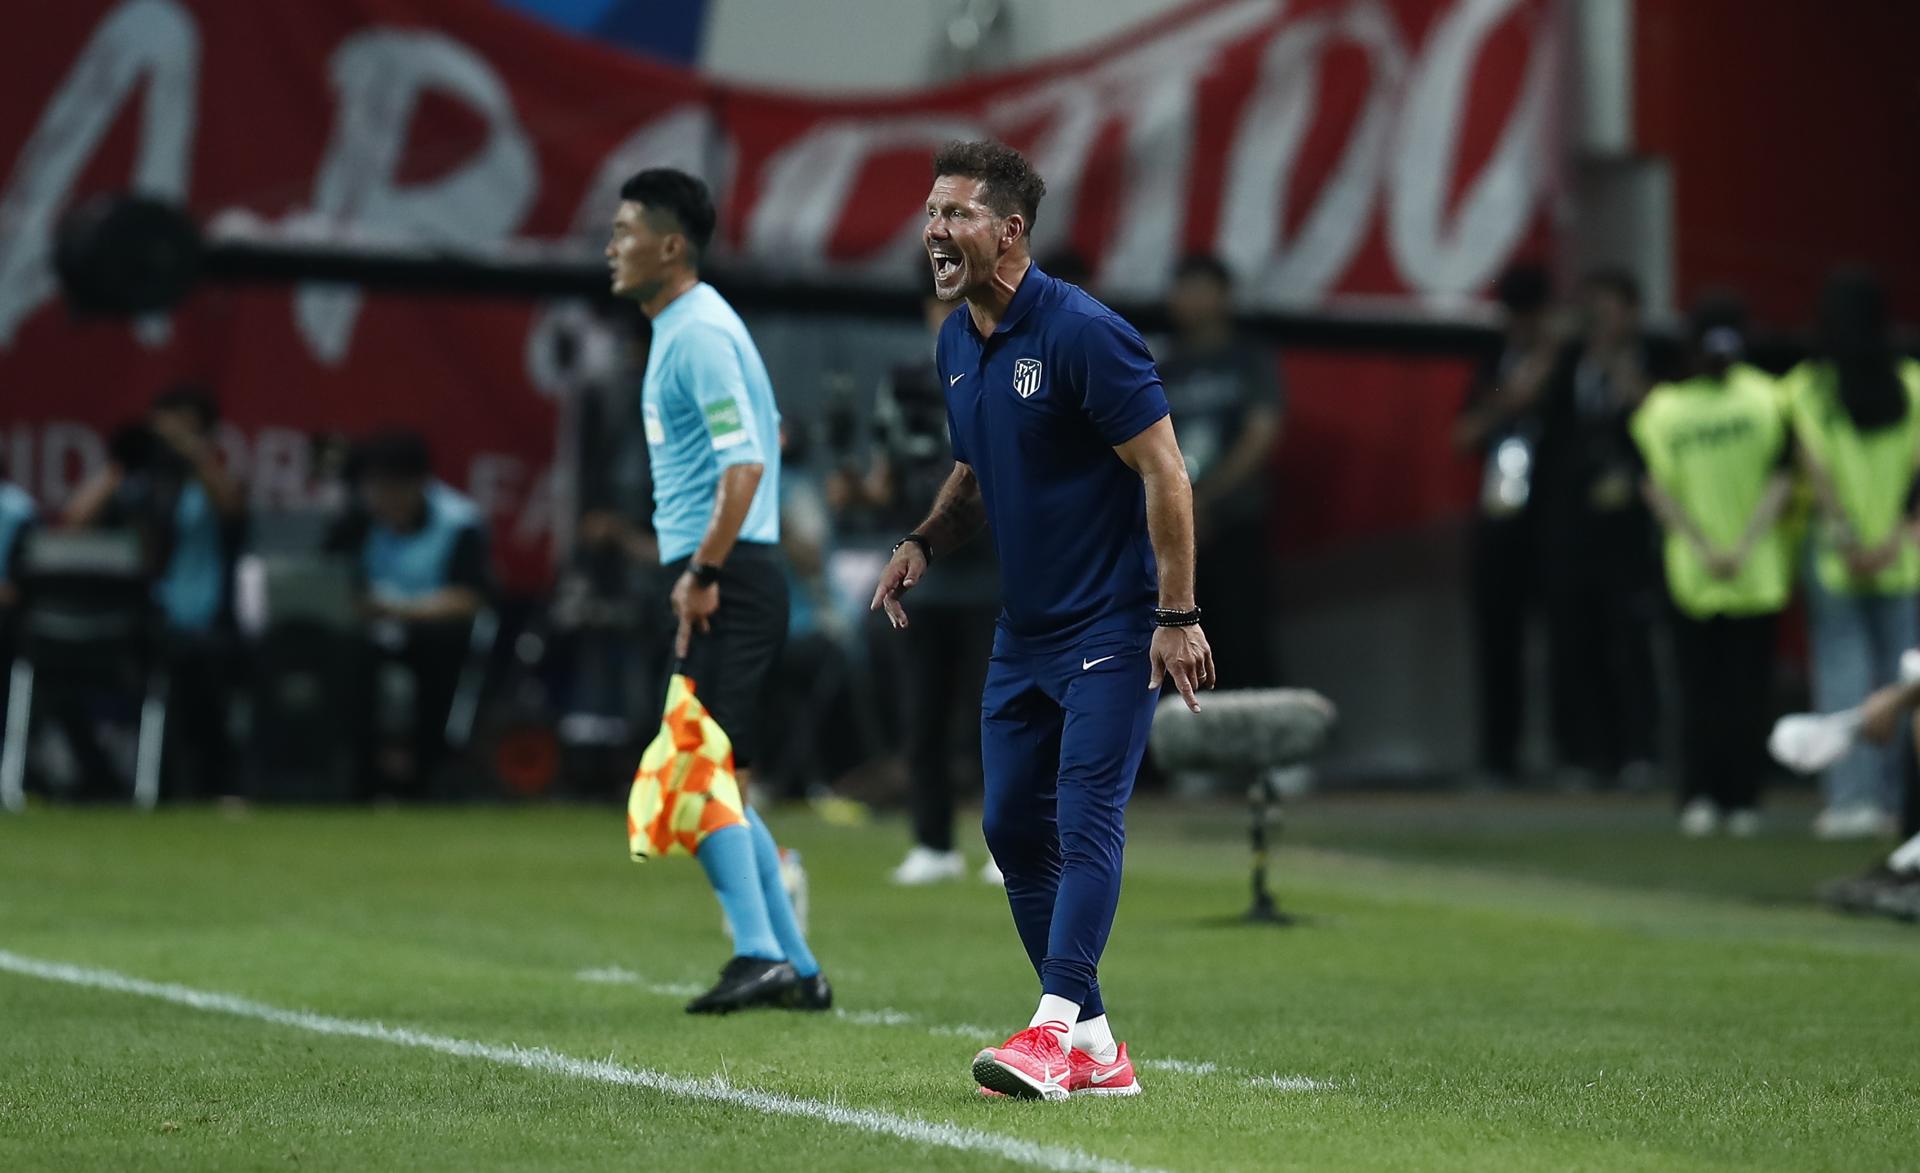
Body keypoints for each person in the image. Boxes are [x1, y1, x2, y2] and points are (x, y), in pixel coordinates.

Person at [870, 140, 1211, 1100]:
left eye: (957, 214)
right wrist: (927, 540)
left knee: (1083, 813)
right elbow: (979, 471)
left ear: (1011, 231)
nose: (935, 231)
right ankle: (1099, 1046)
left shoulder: (1085, 333)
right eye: (932, 212)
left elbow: (1166, 470)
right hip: (1026, 630)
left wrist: (1176, 614)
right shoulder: (954, 342)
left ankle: (1052, 1032)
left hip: (1114, 620)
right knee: (1013, 824)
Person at [606, 166, 830, 1014]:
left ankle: (762, 953)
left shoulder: (696, 332)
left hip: (728, 575)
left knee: (691, 775)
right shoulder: (686, 326)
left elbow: (746, 462)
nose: (610, 248)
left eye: (625, 232)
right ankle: (796, 968)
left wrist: (702, 571)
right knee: (706, 774)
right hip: (723, 571)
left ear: (670, 245)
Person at [1630, 297, 1793, 837]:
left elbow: (1782, 476)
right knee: (1704, 692)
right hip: (1710, 570)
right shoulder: (1667, 409)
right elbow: (1655, 485)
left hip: (1742, 569)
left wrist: (1729, 546)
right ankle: (1704, 795)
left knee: (1739, 694)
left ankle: (1737, 797)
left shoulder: (1769, 398)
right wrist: (1714, 546)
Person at [1785, 269, 1920, 839]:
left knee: (1845, 676)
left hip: (1837, 558)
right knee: (1907, 679)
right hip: (1906, 553)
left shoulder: (1807, 387)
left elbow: (1816, 472)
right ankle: (1901, 803)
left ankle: (1850, 800)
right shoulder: (1913, 382)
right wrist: (1894, 537)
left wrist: (1847, 538)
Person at [878, 280, 1003, 886]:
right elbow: (883, 475)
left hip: (998, 576)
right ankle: (932, 843)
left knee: (1000, 717)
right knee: (923, 716)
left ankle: (1007, 845)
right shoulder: (903, 383)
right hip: (926, 581)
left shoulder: (1011, 371)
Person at [65, 385, 247, 799]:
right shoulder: (137, 481)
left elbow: (233, 506)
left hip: (200, 624)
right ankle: (99, 778)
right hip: (136, 620)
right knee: (61, 664)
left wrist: (192, 450)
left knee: (195, 679)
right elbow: (75, 521)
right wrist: (123, 461)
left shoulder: (209, 484)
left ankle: (206, 785)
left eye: (184, 428)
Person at [1532, 270, 1664, 790]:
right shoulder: (1567, 363)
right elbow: (1521, 396)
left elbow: (1654, 409)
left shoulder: (1654, 357)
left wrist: (1616, 362)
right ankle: (1582, 754)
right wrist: (1553, 344)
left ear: (1631, 312)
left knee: (1630, 640)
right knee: (1574, 640)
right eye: (1593, 309)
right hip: (1571, 524)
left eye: (1609, 309)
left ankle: (1639, 750)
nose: (1600, 320)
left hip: (1629, 526)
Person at [326, 430, 490, 798]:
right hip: (368, 636)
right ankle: (354, 779)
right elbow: (330, 576)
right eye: (374, 487)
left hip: (432, 633)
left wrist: (400, 610)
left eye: (389, 487)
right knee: (341, 658)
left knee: (441, 656)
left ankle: (426, 778)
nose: (381, 498)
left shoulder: (458, 521)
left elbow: (469, 598)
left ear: (417, 483)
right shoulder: (358, 520)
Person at [1159, 252, 1283, 691]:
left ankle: (1258, 748)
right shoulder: (1163, 365)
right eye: (1180, 288)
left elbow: (1261, 433)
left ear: (1222, 296)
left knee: (1243, 636)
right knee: (1183, 640)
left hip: (1235, 522)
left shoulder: (1248, 359)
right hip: (1175, 535)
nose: (1186, 299)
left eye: (1198, 287)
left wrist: (1208, 499)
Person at [1453, 264, 1555, 786]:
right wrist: (1511, 396)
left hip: (1557, 521)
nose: (1518, 324)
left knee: (1567, 640)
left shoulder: (1569, 362)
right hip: (1500, 514)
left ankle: (1581, 756)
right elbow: (1464, 435)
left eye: (1527, 314)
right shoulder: (1495, 362)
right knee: (1498, 639)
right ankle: (1499, 758)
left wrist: (1547, 367)